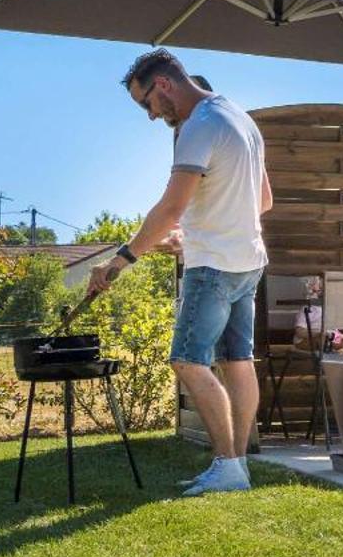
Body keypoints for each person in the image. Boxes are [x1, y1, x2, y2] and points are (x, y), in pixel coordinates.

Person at [90, 48, 271, 496]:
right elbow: (262, 200)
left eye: (146, 103)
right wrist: (194, 234)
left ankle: (227, 464)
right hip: (247, 262)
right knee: (238, 361)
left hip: (212, 268)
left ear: (164, 85)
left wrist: (120, 259)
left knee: (187, 361)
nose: (150, 115)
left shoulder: (197, 127)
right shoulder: (240, 119)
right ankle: (240, 464)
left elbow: (171, 207)